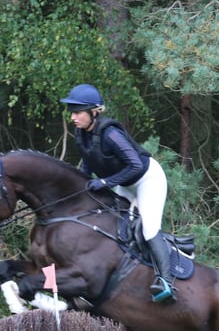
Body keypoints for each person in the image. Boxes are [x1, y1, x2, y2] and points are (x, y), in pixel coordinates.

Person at [60, 83, 176, 302]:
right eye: (72, 112)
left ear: (93, 112)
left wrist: (104, 182)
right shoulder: (82, 134)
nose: (73, 117)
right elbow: (88, 164)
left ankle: (166, 281)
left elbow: (136, 165)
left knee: (150, 229)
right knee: (115, 226)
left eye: (77, 112)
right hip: (124, 182)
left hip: (147, 179)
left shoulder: (111, 134)